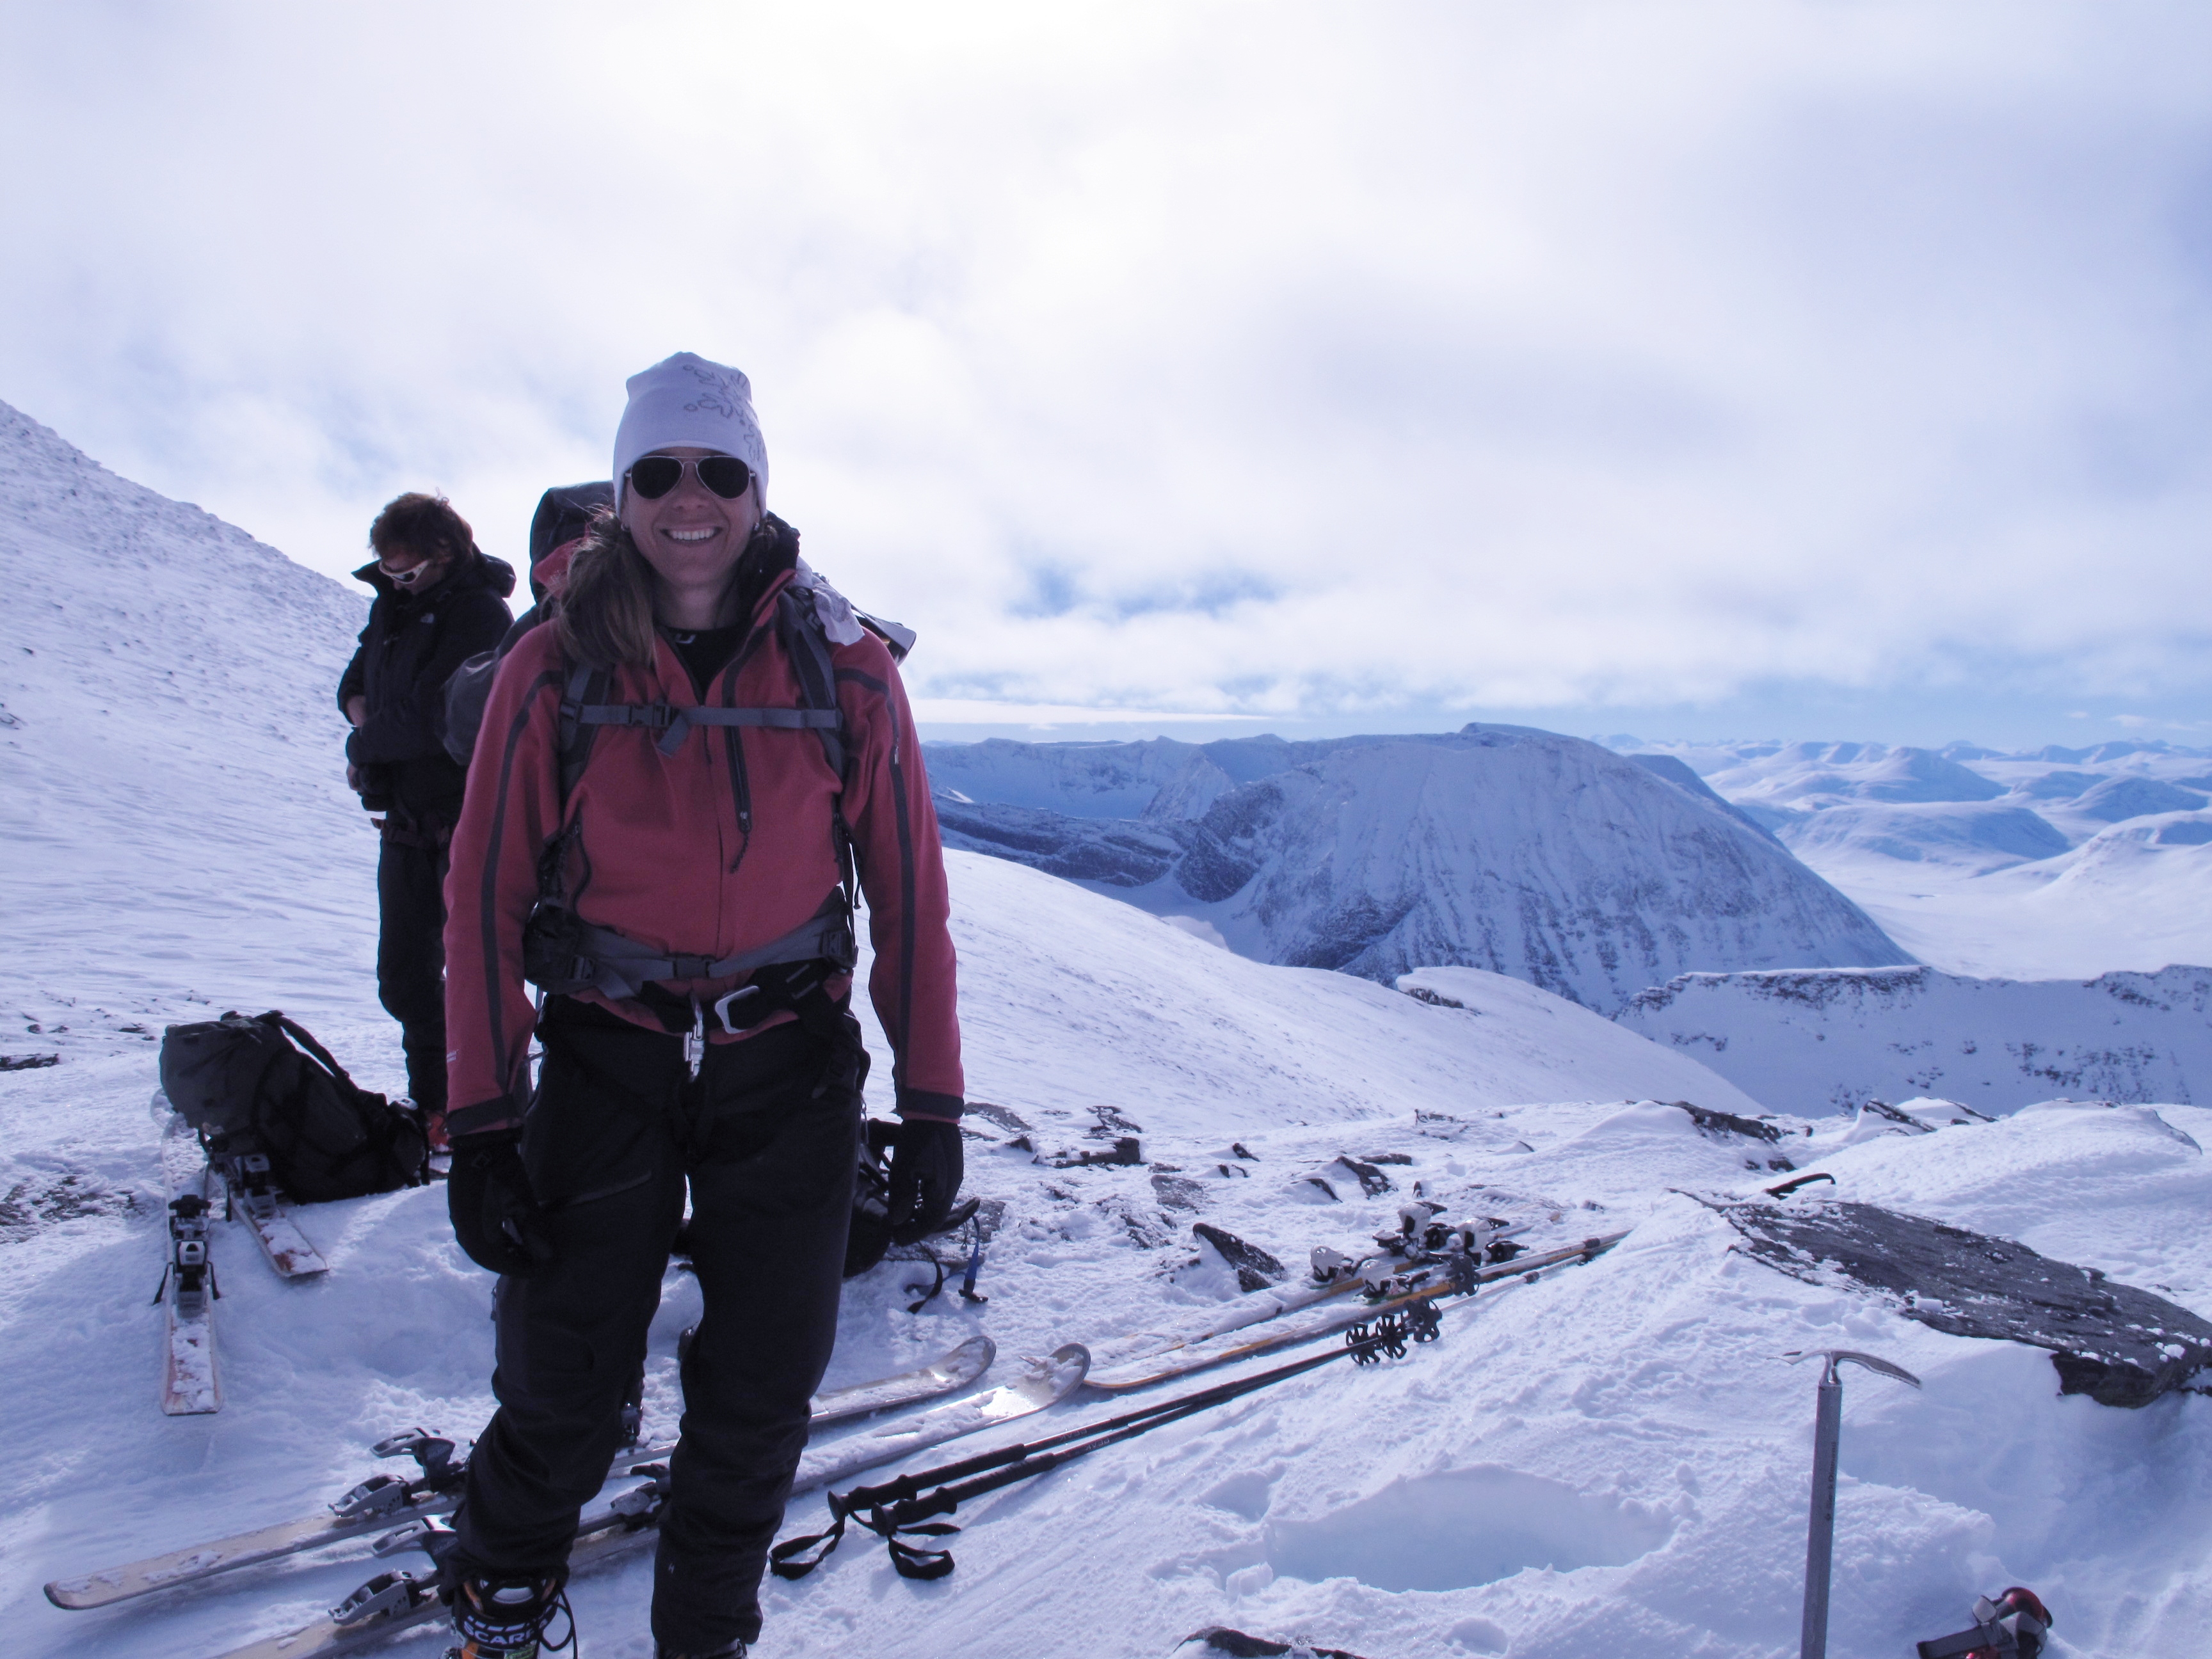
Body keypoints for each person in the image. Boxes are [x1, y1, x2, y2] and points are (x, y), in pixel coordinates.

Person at [438, 352, 966, 1659]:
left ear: (755, 490)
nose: (691, 499)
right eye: (659, 473)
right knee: (564, 1372)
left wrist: (935, 1100)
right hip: (609, 1057)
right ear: (624, 492)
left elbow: (908, 897)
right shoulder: (552, 668)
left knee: (761, 1389)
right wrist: (486, 1122)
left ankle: (706, 1634)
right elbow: (481, 904)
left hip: (785, 1066)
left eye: (719, 472)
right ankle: (502, 1599)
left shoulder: (843, 670)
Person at [338, 493, 515, 1137]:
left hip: (469, 821)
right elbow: (353, 686)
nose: (395, 583)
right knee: (405, 978)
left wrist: (365, 742)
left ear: (445, 557)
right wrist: (371, 727)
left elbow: (432, 719)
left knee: (481, 975)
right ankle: (437, 1107)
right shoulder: (392, 608)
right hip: (408, 822)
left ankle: (485, 1109)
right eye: (388, 571)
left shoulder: (480, 615)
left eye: (407, 572)